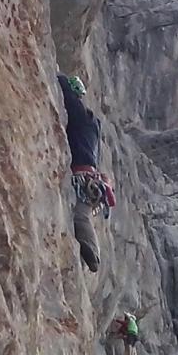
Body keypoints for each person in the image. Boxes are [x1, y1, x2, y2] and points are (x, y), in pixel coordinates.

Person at [58, 73, 114, 273]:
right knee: (82, 215)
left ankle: (93, 255)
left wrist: (57, 75)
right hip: (89, 175)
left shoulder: (81, 117)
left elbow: (65, 89)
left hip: (82, 174)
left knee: (80, 216)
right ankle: (91, 253)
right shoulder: (92, 124)